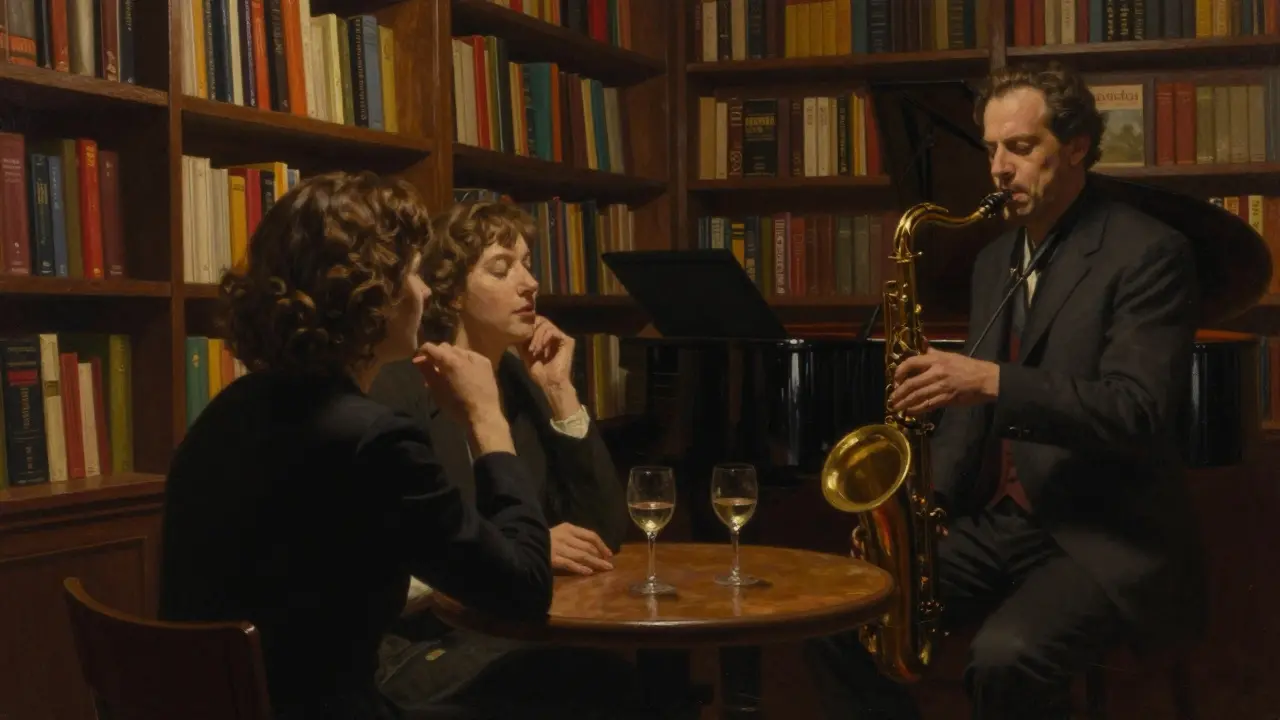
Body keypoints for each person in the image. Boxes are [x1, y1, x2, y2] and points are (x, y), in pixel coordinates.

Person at [804, 61, 1207, 719]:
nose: (998, 167)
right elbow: (968, 423)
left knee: (1007, 657)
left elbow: (1137, 411)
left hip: (1101, 533)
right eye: (992, 148)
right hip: (1000, 523)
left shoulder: (1148, 253)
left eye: (1021, 147)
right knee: (834, 620)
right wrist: (907, 524)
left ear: (1076, 146)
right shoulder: (997, 258)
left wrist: (991, 379)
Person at [156, 171, 555, 720]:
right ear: (374, 295)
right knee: (590, 684)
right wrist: (486, 419)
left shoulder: (225, 413)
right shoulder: (373, 440)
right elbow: (524, 590)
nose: (423, 291)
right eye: (414, 274)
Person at [368, 199, 639, 715]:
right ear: (449, 291)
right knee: (600, 685)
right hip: (411, 648)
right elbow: (380, 563)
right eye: (501, 267)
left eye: (528, 264)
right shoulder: (401, 387)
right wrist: (519, 551)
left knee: (613, 678)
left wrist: (560, 391)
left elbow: (604, 529)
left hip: (505, 628)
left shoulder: (522, 384)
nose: (529, 282)